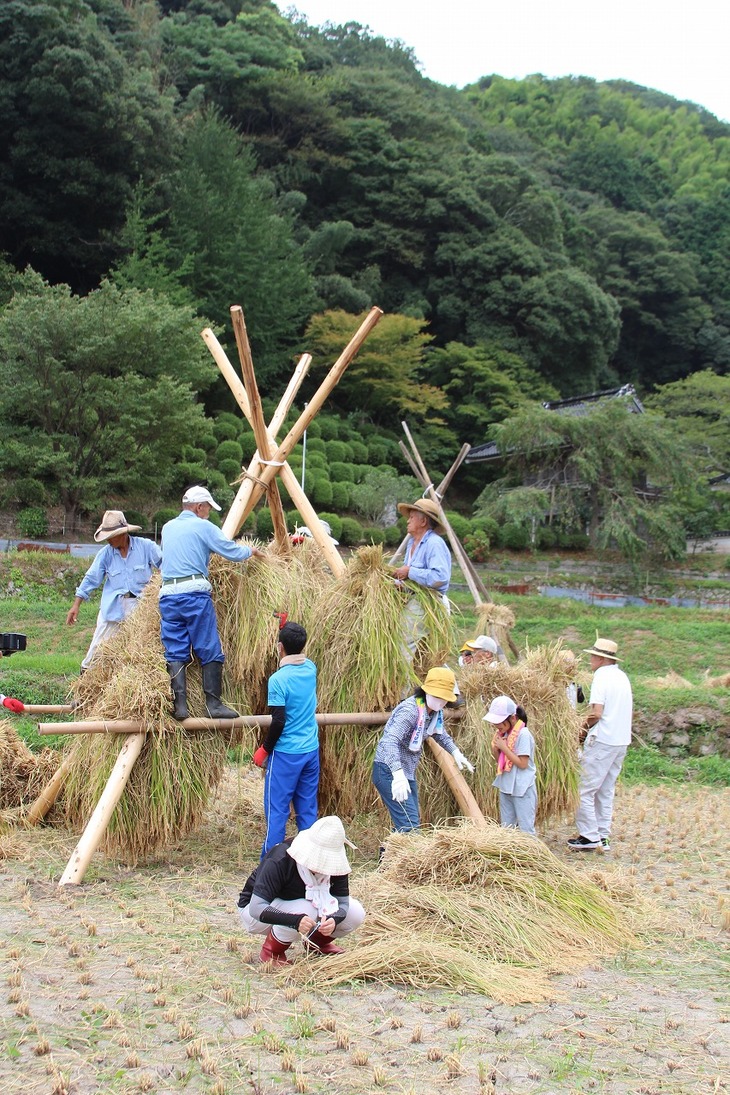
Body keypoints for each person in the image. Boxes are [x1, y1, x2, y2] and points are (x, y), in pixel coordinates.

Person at [159, 486, 265, 721]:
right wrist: (251, 550)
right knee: (208, 646)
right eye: (207, 508)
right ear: (199, 507)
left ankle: (181, 706)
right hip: (194, 594)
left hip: (167, 595)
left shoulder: (167, 528)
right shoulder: (203, 526)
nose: (208, 513)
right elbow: (231, 551)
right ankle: (213, 704)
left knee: (175, 648)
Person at [237, 815, 366, 966]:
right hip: (256, 915)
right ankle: (272, 951)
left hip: (299, 909)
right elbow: (255, 908)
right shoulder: (280, 858)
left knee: (356, 913)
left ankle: (316, 943)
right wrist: (295, 921)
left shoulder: (336, 866)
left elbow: (343, 903)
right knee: (307, 908)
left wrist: (334, 919)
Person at [372, 666, 474, 833]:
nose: (441, 701)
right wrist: (397, 774)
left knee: (407, 821)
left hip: (407, 771)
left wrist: (456, 752)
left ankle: (387, 855)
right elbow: (389, 741)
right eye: (437, 696)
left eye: (444, 698)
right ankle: (405, 856)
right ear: (426, 690)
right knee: (411, 827)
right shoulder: (410, 711)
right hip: (389, 770)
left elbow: (440, 735)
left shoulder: (434, 713)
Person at [253, 621, 320, 858]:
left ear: (280, 647)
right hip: (310, 752)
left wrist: (264, 749)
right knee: (308, 812)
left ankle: (268, 869)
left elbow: (278, 721)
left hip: (285, 755)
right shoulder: (311, 668)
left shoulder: (278, 680)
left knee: (277, 814)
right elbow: (296, 654)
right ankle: (310, 866)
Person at [67, 510, 161, 670]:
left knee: (137, 652)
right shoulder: (105, 554)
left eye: (112, 536)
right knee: (96, 650)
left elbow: (165, 566)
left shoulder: (146, 547)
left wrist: (159, 588)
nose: (109, 540)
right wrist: (76, 605)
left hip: (140, 608)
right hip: (114, 608)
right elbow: (91, 579)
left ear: (123, 533)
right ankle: (84, 683)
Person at [568, 637, 632, 852]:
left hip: (603, 739)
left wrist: (581, 730)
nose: (590, 660)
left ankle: (588, 836)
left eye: (592, 656)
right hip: (621, 741)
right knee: (605, 790)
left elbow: (596, 712)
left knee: (584, 790)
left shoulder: (601, 677)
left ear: (601, 658)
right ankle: (603, 836)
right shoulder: (622, 677)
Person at [393, 498, 452, 655]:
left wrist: (410, 571)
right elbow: (410, 579)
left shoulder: (434, 543)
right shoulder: (413, 543)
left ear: (423, 521)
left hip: (428, 604)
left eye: (412, 517)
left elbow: (440, 577)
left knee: (402, 642)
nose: (408, 521)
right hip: (414, 600)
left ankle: (402, 679)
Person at [485, 695, 537, 835]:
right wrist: (496, 750)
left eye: (500, 722)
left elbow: (522, 763)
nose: (497, 726)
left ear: (513, 718)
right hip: (506, 785)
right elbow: (501, 762)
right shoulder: (503, 733)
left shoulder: (523, 734)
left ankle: (531, 855)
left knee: (526, 830)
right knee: (507, 830)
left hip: (522, 787)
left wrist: (504, 748)